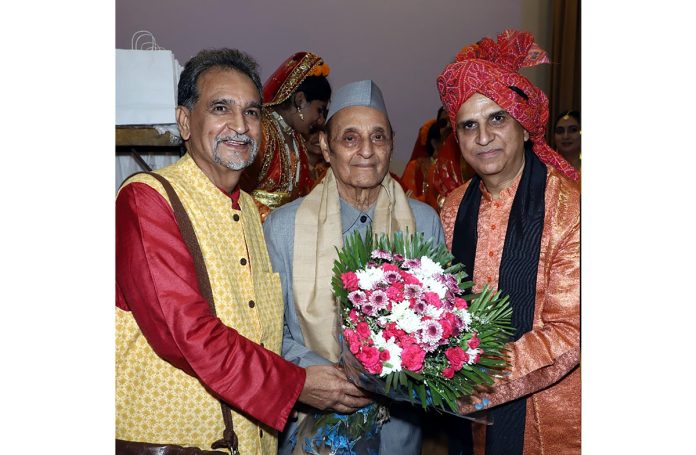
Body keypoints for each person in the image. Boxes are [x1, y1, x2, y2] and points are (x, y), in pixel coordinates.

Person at [116, 48, 372, 454]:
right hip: (174, 443)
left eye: (252, 112)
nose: (240, 126)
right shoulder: (147, 200)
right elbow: (186, 334)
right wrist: (298, 383)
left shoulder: (252, 212)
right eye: (221, 108)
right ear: (185, 121)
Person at [263, 80, 445, 455]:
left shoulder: (424, 223)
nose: (366, 150)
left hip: (398, 428)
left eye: (378, 137)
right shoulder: (283, 227)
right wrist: (320, 377)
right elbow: (267, 330)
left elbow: (443, 324)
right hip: (311, 422)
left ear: (391, 144)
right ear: (326, 148)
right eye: (350, 138)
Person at [436, 30, 581, 454]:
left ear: (524, 123)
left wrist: (467, 385)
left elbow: (569, 332)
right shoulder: (452, 206)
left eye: (497, 118)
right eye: (469, 125)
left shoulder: (569, 208)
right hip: (466, 422)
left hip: (545, 414)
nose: (483, 138)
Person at [240, 51, 331, 221]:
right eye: (319, 110)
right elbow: (236, 192)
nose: (320, 121)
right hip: (255, 232)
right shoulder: (262, 132)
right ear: (300, 100)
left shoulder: (296, 138)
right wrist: (273, 221)